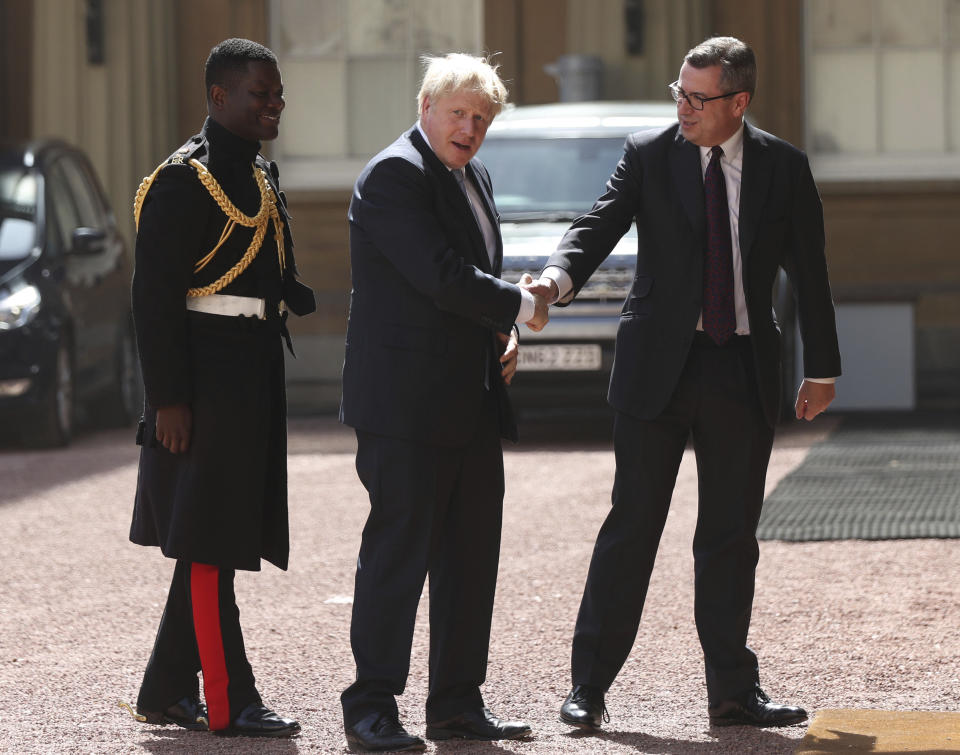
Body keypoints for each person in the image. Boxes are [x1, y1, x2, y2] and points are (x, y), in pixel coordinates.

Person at [525, 36, 841, 730]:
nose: (684, 107)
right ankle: (588, 687)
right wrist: (556, 278)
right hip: (656, 371)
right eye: (680, 92)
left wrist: (823, 368)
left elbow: (809, 272)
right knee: (632, 526)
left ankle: (732, 692)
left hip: (742, 367)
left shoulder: (782, 167)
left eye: (699, 98)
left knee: (730, 536)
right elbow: (598, 225)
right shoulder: (648, 152)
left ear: (739, 101)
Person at [338, 53, 548, 751]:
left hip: (471, 396)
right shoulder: (395, 173)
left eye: (481, 118)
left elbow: (473, 276)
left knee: (469, 557)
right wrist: (520, 302)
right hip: (404, 404)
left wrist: (504, 326)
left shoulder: (474, 174)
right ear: (426, 104)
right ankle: (370, 705)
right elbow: (440, 275)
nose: (470, 128)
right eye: (458, 112)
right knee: (398, 554)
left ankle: (456, 701)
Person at [124, 38, 314, 738]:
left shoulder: (256, 174)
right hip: (202, 380)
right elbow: (153, 299)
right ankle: (231, 699)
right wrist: (167, 398)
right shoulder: (183, 180)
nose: (274, 104)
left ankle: (168, 689)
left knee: (223, 531)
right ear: (219, 97)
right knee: (209, 542)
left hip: (253, 368)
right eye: (260, 93)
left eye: (277, 93)